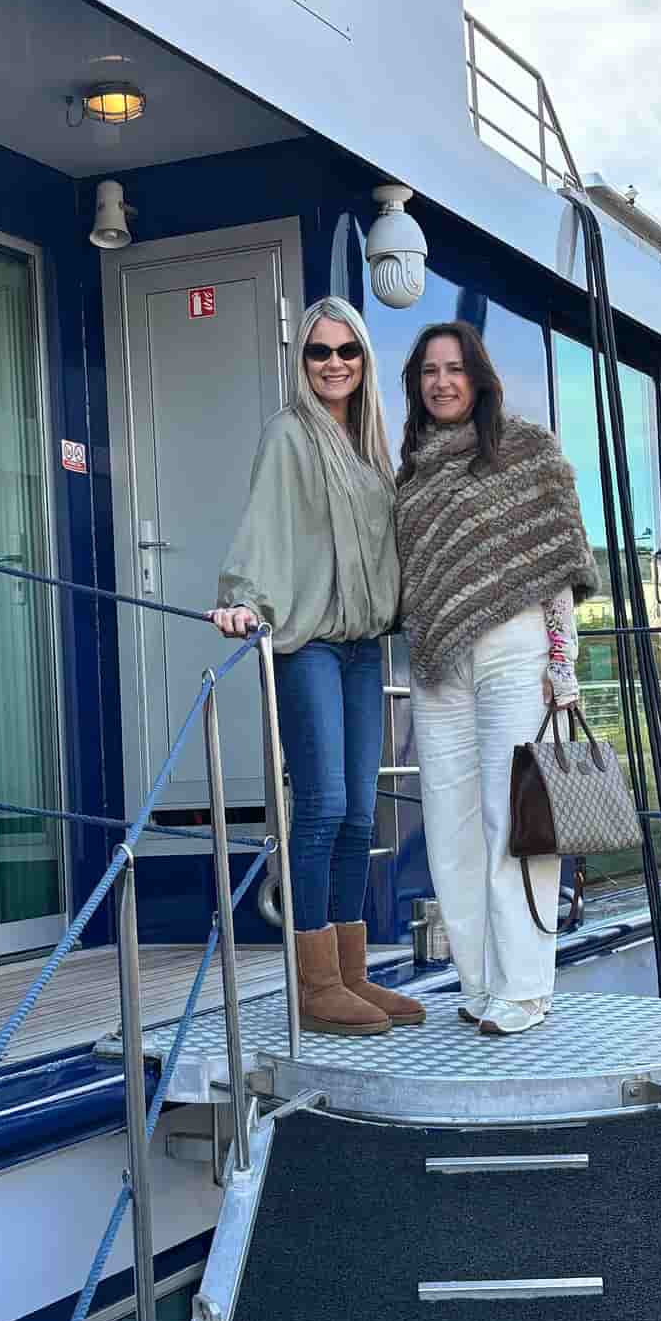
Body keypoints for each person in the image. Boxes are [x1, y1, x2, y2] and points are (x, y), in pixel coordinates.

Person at [211, 297, 425, 1036]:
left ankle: (353, 974)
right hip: (310, 646)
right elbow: (262, 526)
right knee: (326, 803)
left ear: (364, 361)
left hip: (366, 646)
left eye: (348, 352)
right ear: (301, 361)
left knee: (364, 811)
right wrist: (242, 600)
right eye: (319, 352)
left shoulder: (370, 445)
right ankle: (315, 983)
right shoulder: (288, 436)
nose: (334, 364)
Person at [395, 321, 599, 1036]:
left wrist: (562, 666)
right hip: (438, 664)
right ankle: (478, 980)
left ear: (479, 377)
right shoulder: (412, 474)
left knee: (513, 818)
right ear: (416, 384)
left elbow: (556, 572)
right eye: (429, 371)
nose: (442, 381)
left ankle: (526, 986)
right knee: (449, 827)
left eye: (455, 368)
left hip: (515, 651)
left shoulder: (526, 450)